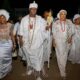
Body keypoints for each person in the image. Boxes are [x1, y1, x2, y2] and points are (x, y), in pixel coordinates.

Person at [18, 1, 47, 80]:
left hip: (37, 43)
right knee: (28, 58)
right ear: (29, 9)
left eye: (35, 9)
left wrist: (48, 26)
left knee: (36, 59)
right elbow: (20, 31)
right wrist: (20, 41)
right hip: (26, 43)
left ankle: (37, 74)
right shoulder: (24, 19)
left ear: (36, 10)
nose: (34, 11)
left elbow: (45, 28)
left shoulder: (40, 19)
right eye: (32, 9)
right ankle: (30, 68)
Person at [52, 10, 73, 80]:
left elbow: (71, 30)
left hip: (66, 42)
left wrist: (70, 37)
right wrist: (53, 41)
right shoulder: (56, 23)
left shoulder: (69, 22)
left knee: (65, 56)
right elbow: (53, 33)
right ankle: (62, 72)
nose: (63, 15)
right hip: (58, 41)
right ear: (59, 15)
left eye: (64, 14)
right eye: (62, 14)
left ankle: (62, 68)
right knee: (60, 56)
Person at [0, 9, 15, 79]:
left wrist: (14, 44)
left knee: (8, 58)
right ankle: (2, 72)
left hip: (8, 44)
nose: (2, 19)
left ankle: (7, 70)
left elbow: (12, 35)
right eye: (0, 17)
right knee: (1, 58)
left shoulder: (10, 25)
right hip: (0, 44)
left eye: (3, 17)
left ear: (6, 18)